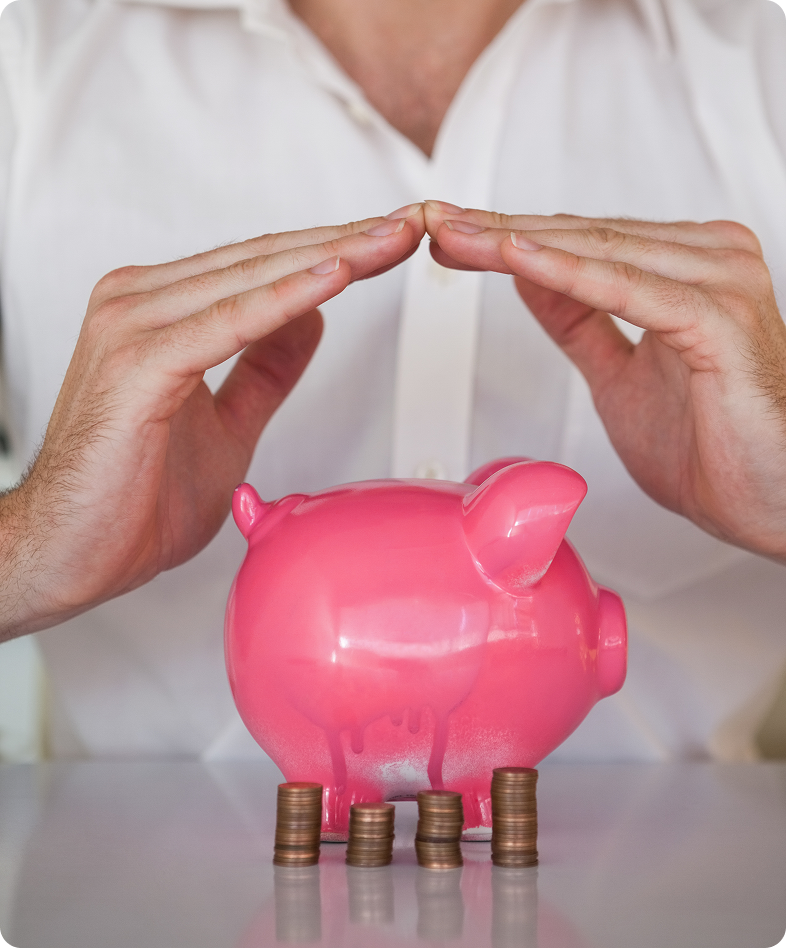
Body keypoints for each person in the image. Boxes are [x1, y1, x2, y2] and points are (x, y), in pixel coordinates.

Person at [0, 0, 785, 760]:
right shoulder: (27, 56)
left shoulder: (763, 56)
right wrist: (32, 543)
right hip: (118, 867)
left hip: (675, 875)